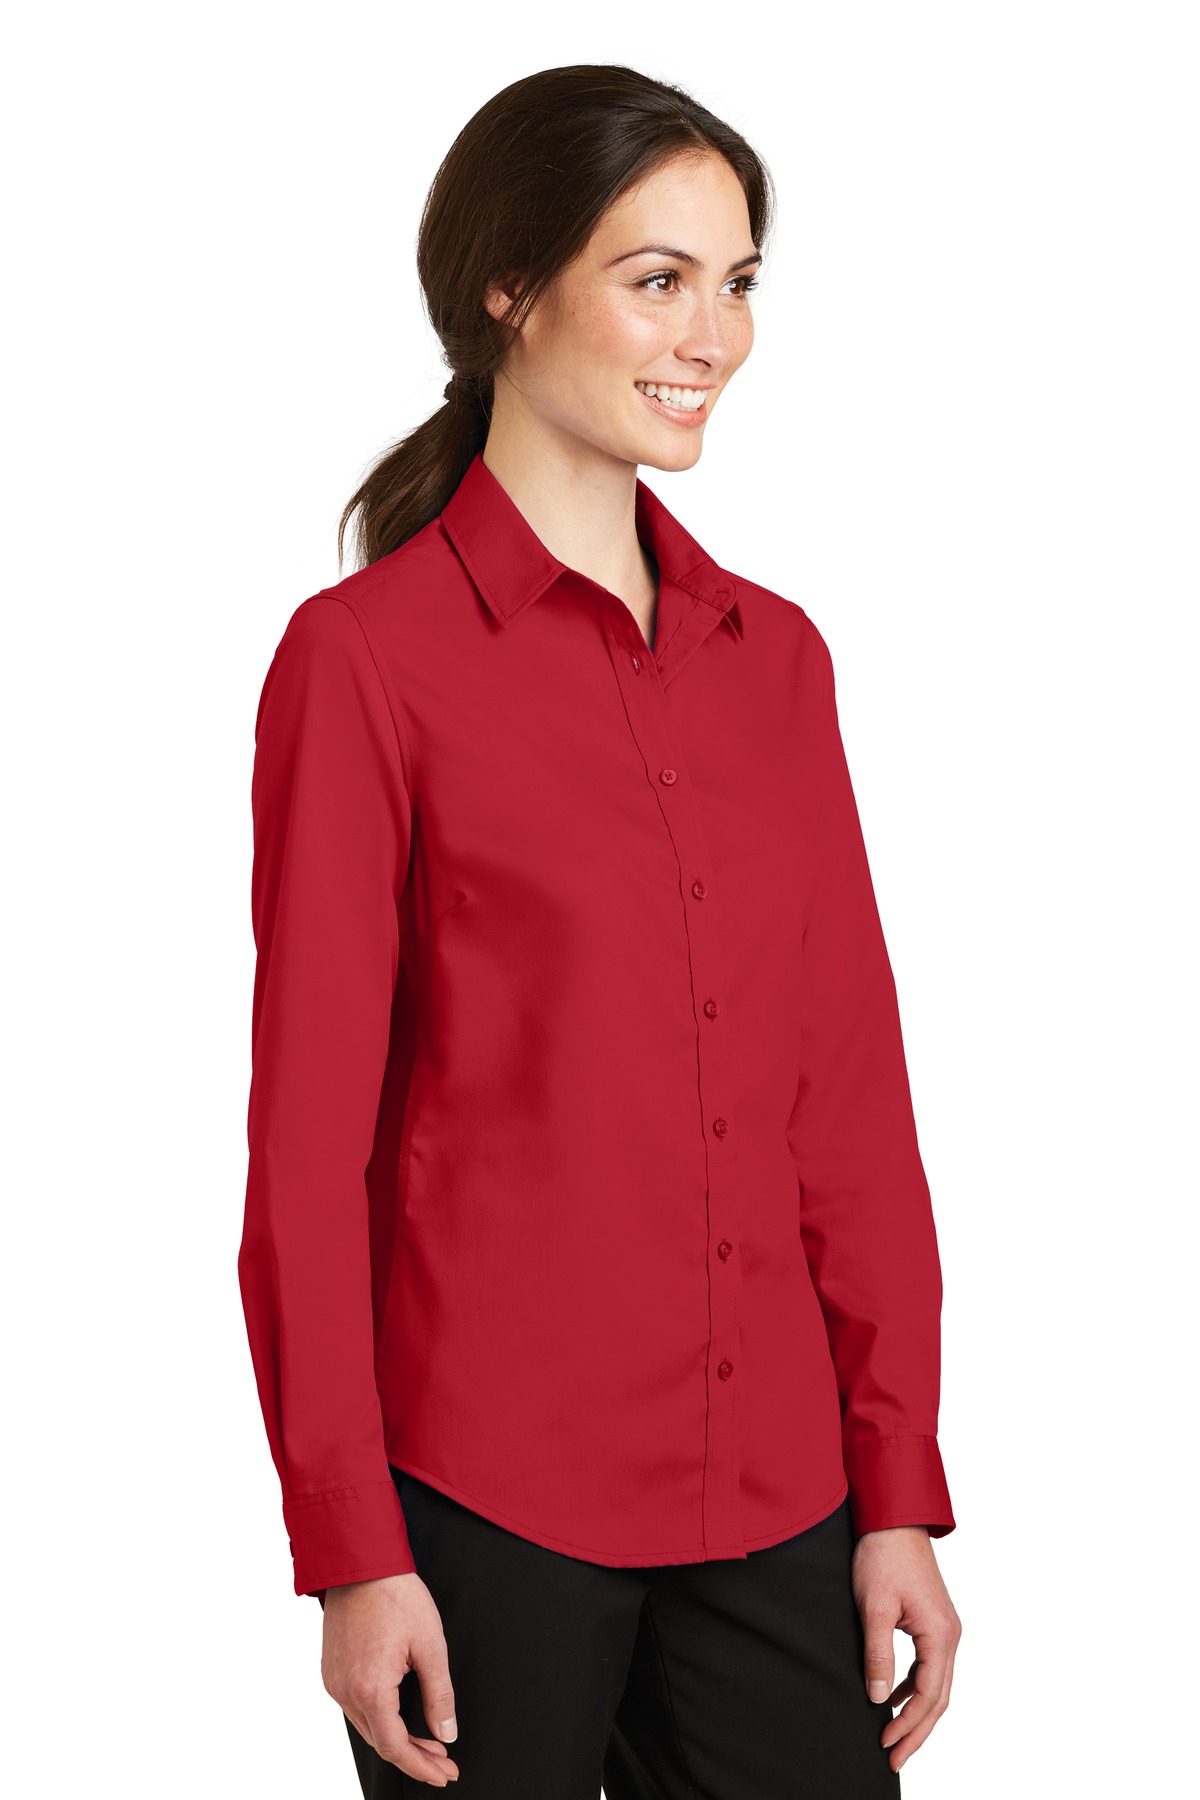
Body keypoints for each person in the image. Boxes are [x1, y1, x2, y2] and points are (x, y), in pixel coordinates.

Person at [238, 62, 962, 1799]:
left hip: (779, 1494)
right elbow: (308, 1155)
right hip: (487, 1514)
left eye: (738, 282)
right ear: (508, 284)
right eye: (659, 279)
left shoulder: (778, 661)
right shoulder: (365, 664)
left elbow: (848, 1107)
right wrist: (351, 1546)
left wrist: (899, 1490)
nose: (713, 335)